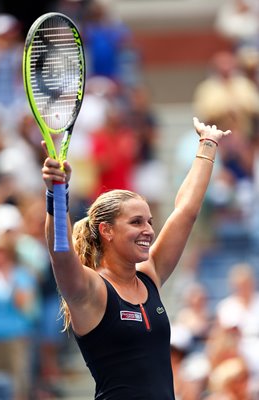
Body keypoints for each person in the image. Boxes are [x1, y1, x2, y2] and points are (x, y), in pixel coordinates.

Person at [41, 117, 231, 399]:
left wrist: (207, 144)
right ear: (106, 230)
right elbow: (60, 252)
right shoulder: (91, 291)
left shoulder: (149, 274)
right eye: (136, 222)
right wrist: (57, 192)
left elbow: (185, 212)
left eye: (149, 222)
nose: (149, 231)